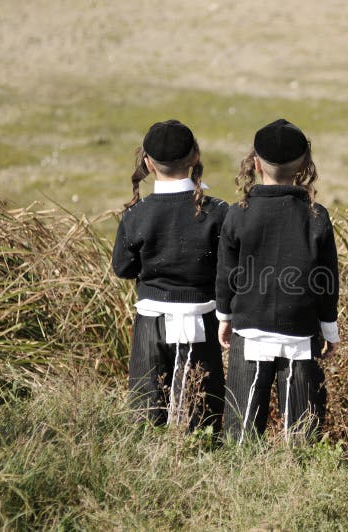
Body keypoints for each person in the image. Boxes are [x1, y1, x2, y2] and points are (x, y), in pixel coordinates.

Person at [216, 119, 339, 443]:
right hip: (300, 333)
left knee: (238, 434)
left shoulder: (237, 213)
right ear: (305, 168)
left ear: (255, 164)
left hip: (249, 328)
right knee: (302, 436)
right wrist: (329, 330)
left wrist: (224, 317)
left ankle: (240, 483)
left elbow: (227, 273)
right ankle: (297, 482)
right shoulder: (317, 216)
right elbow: (327, 281)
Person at [112, 119, 227, 434]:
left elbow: (122, 268)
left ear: (147, 164)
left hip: (151, 321)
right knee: (203, 415)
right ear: (195, 157)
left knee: (145, 414)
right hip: (202, 320)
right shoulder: (217, 212)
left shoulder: (137, 214)